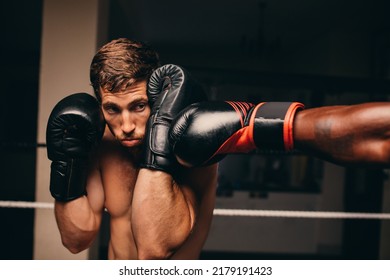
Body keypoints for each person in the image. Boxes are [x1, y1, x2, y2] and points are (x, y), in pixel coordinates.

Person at [46, 38, 218, 260]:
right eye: (112, 109)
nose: (126, 126)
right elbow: (76, 240)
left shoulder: (190, 146)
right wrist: (66, 162)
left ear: (158, 98)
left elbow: (155, 249)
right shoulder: (103, 144)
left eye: (138, 106)